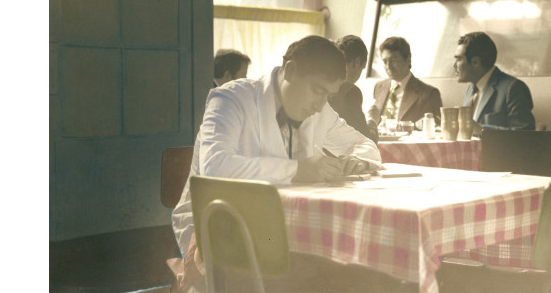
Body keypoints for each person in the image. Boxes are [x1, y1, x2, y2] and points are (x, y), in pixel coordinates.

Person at [170, 36, 381, 291]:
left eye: (328, 95)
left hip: (284, 228)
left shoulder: (320, 110)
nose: (320, 105)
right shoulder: (231, 99)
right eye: (317, 90)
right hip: (221, 226)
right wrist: (298, 170)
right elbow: (217, 167)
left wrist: (355, 160)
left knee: (355, 272)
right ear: (290, 71)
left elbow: (366, 145)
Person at [454, 31, 536, 131]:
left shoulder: (514, 88)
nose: (454, 66)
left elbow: (524, 134)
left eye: (458, 59)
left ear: (475, 62)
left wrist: (480, 129)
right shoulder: (471, 89)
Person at [367, 36, 442, 130]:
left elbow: (438, 127)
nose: (388, 66)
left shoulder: (429, 94)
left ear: (408, 59)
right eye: (385, 61)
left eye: (393, 60)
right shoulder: (378, 87)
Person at [328, 35, 378, 143]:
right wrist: (373, 120)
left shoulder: (323, 85)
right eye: (362, 68)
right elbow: (365, 141)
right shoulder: (350, 91)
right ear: (357, 62)